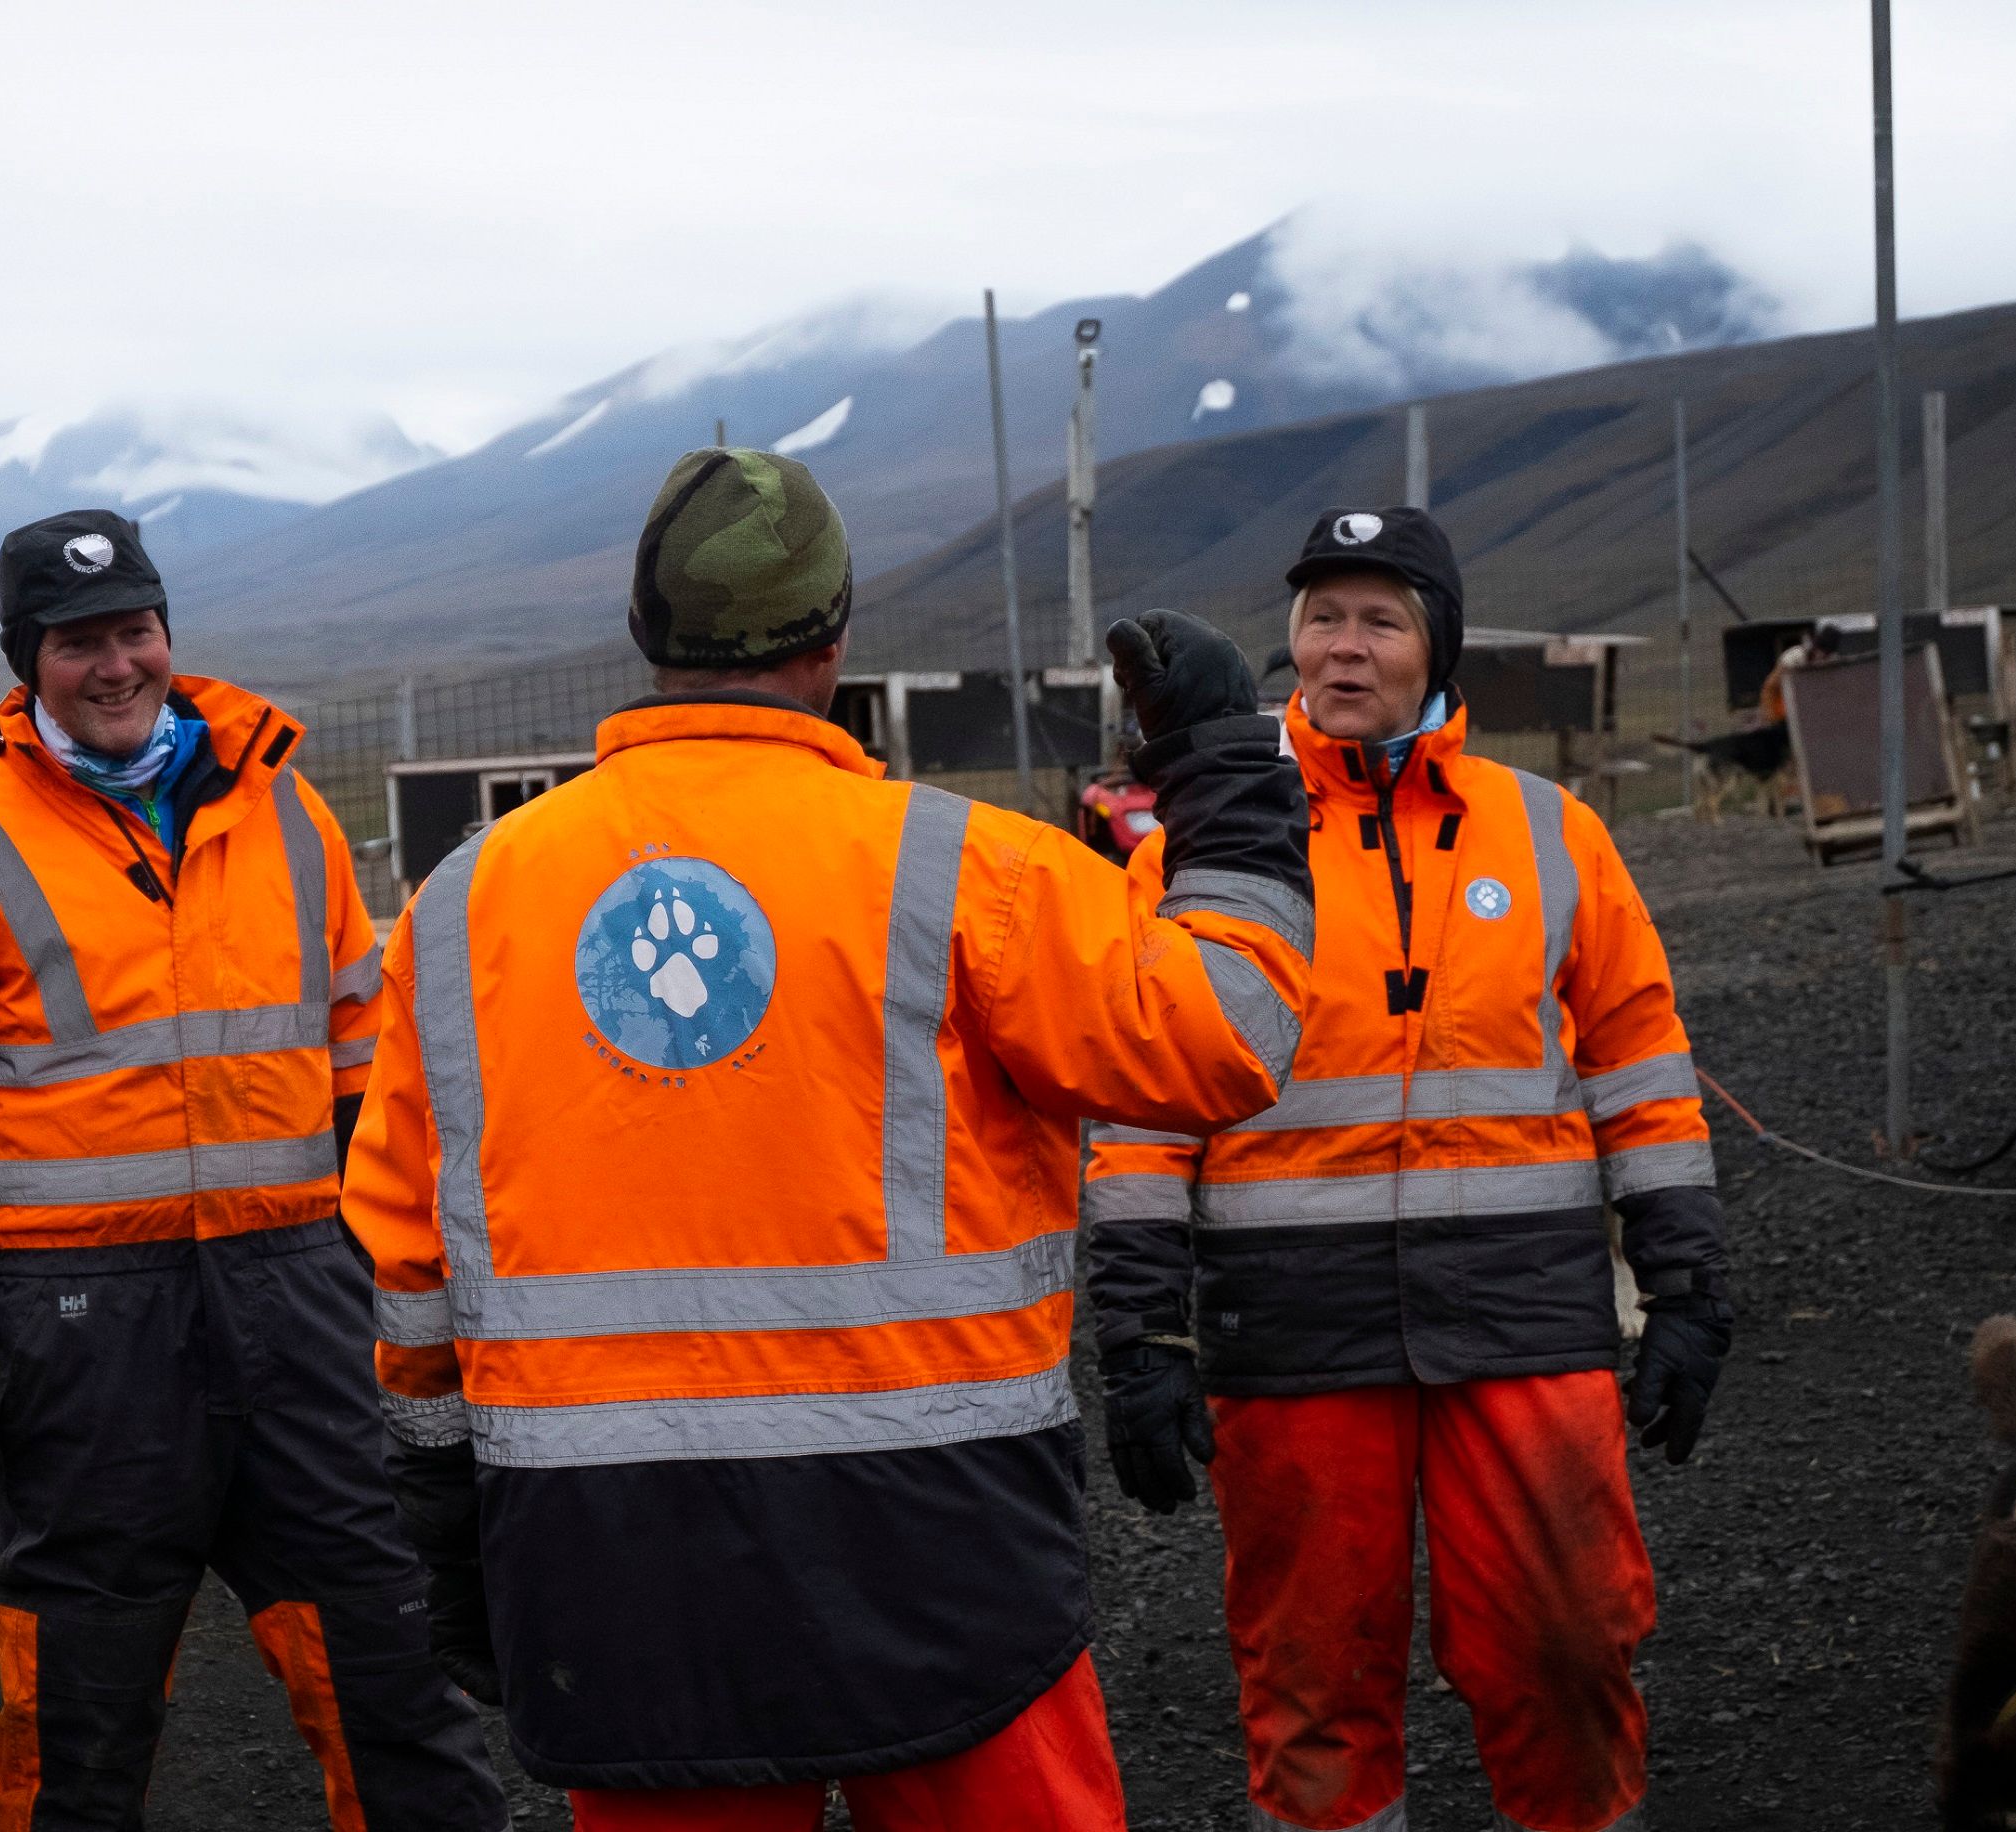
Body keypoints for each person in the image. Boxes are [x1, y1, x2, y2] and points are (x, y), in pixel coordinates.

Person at [342, 448, 1315, 1830]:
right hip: (940, 1541)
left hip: (605, 1552)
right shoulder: (966, 867)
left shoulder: (459, 908)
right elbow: (1223, 1037)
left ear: (641, 638)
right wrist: (1226, 772)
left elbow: (405, 1253)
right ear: (837, 635)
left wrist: (444, 1503)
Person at [0, 509, 505, 1832]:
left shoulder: (286, 809)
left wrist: (394, 1277)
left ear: (168, 637)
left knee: (386, 1668)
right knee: (74, 1706)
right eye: (79, 642)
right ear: (30, 662)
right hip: (82, 1334)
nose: (114, 663)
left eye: (133, 631)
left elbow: (368, 1067)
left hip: (302, 1311)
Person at [1081, 507, 1733, 1832]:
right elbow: (1143, 1102)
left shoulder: (1550, 835)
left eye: (1379, 618)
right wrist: (1141, 1332)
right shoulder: (1203, 855)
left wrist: (1685, 1285)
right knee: (1312, 1684)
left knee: (1566, 1653)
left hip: (1523, 1327)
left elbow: (1638, 1068)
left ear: (1438, 647)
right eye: (1320, 617)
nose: (1341, 648)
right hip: (1294, 1335)